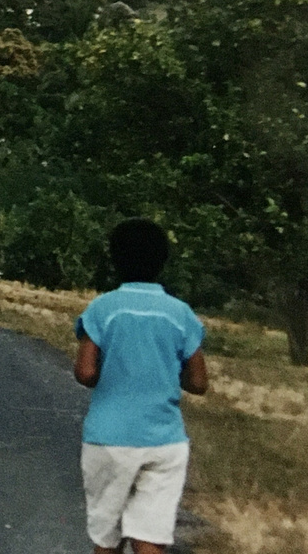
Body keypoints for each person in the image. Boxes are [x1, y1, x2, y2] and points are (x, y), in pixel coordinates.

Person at [73, 219, 210, 554]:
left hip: (109, 438)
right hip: (164, 441)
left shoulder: (103, 308)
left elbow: (85, 372)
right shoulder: (180, 314)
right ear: (162, 261)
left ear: (115, 259)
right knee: (150, 536)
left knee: (107, 536)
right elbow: (198, 382)